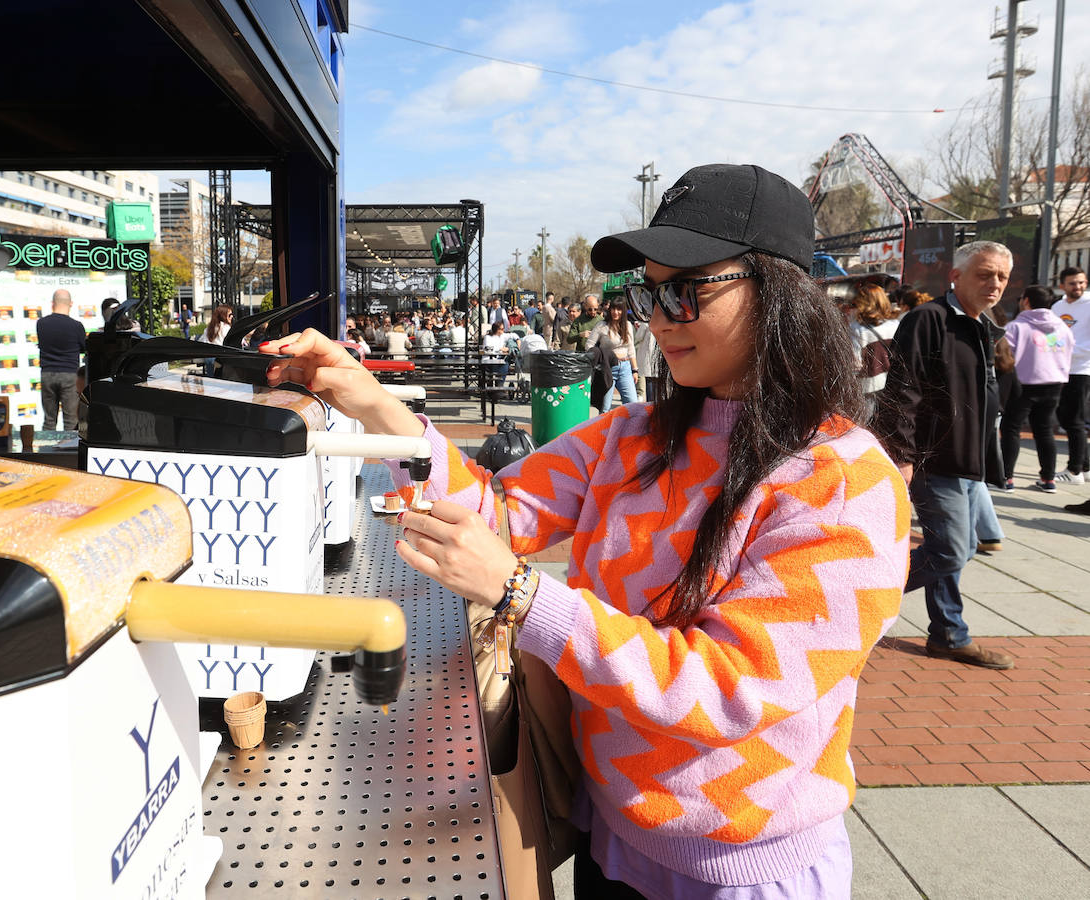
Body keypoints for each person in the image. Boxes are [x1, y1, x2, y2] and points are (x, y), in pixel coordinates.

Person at [261, 162, 908, 898]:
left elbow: (733, 687)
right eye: (646, 292)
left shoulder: (846, 481)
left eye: (685, 289)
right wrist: (371, 401)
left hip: (744, 870)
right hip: (609, 835)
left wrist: (523, 598)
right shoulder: (630, 436)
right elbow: (499, 511)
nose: (658, 318)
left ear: (780, 292)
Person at [877, 240, 1015, 670]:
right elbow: (904, 389)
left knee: (957, 548)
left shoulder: (983, 323)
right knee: (951, 551)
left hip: (968, 460)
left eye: (1002, 277)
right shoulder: (929, 319)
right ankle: (858, 597)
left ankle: (949, 634)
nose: (994, 284)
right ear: (955, 276)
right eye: (984, 273)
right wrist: (900, 453)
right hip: (934, 458)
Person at [1001, 284, 1074, 492]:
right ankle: (1048, 478)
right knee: (1044, 431)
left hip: (1023, 385)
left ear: (1026, 301)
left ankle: (1007, 478)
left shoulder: (1016, 327)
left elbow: (1005, 357)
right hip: (1054, 384)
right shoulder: (1061, 327)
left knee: (1011, 429)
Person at [1050, 266, 1090, 483]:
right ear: (1062, 285)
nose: (1078, 287)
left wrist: (1070, 352)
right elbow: (1052, 337)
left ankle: (1074, 470)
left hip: (1082, 369)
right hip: (1060, 369)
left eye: (1082, 282)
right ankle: (1085, 466)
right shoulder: (1057, 307)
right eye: (1073, 283)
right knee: (1067, 417)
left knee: (1074, 419)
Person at [36, 288, 87, 431]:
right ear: (71, 304)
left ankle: (46, 450)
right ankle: (68, 451)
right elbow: (83, 348)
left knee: (49, 420)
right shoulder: (76, 326)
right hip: (70, 374)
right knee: (71, 420)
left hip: (47, 374)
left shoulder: (41, 323)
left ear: (52, 303)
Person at [844, 283, 899, 396]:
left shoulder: (857, 329)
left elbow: (855, 364)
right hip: (890, 384)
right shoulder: (895, 324)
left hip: (867, 388)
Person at [590, 296, 637, 411]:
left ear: (623, 311)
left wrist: (635, 369)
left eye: (619, 309)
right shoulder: (602, 326)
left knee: (632, 404)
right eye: (613, 309)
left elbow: (631, 349)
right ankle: (603, 429)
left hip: (625, 367)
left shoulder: (627, 325)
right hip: (607, 368)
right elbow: (589, 345)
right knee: (605, 409)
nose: (615, 312)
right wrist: (602, 355)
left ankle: (628, 428)